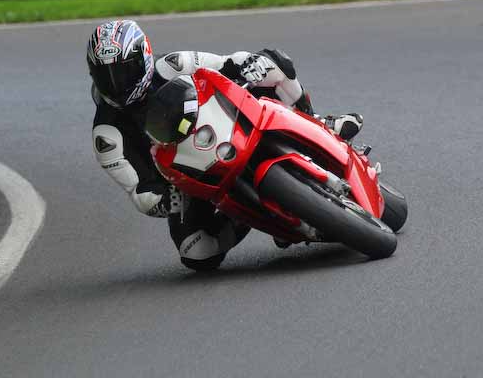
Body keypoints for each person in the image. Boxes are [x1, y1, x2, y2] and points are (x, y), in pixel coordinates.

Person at [88, 20, 363, 270]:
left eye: (124, 71)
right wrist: (164, 200)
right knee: (196, 251)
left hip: (226, 124)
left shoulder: (172, 65)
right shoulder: (107, 133)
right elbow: (139, 191)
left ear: (145, 55)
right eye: (106, 76)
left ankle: (318, 122)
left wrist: (251, 64)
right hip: (186, 180)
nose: (117, 84)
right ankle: (252, 217)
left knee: (275, 62)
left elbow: (227, 63)